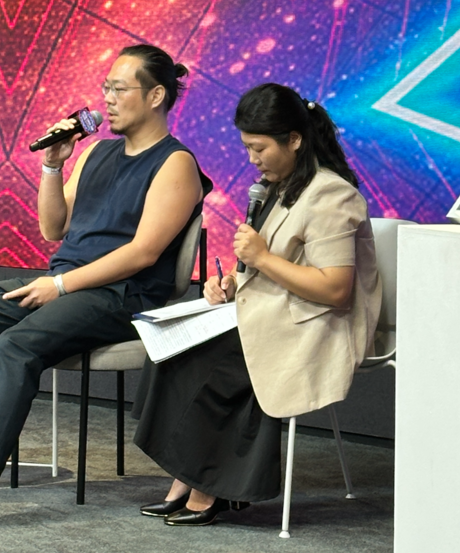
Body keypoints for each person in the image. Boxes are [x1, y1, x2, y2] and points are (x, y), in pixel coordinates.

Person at [0, 44, 212, 534]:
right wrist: (53, 166)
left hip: (122, 296)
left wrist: (59, 285)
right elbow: (53, 228)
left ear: (156, 96)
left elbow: (144, 253)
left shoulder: (175, 163)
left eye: (119, 89)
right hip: (64, 283)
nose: (108, 99)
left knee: (18, 345)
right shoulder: (98, 152)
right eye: (106, 88)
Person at [133, 82, 381, 526]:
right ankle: (188, 475)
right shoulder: (278, 188)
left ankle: (210, 486)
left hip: (318, 323)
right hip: (273, 310)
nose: (252, 159)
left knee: (215, 362)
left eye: (259, 148)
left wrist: (262, 258)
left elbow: (335, 289)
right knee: (171, 348)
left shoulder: (332, 194)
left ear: (294, 140)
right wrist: (230, 283)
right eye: (247, 147)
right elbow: (265, 266)